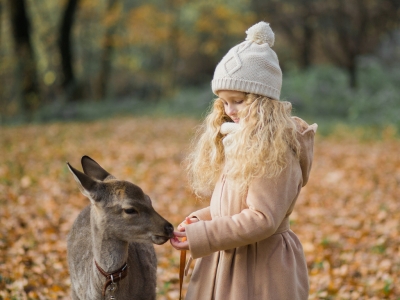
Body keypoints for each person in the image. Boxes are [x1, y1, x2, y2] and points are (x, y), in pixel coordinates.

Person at [170, 21, 318, 300]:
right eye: (224, 103)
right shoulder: (240, 140)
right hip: (229, 259)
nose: (230, 111)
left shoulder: (275, 150)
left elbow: (262, 218)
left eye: (237, 101)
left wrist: (205, 236)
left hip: (260, 269)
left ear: (263, 101)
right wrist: (199, 221)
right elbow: (235, 207)